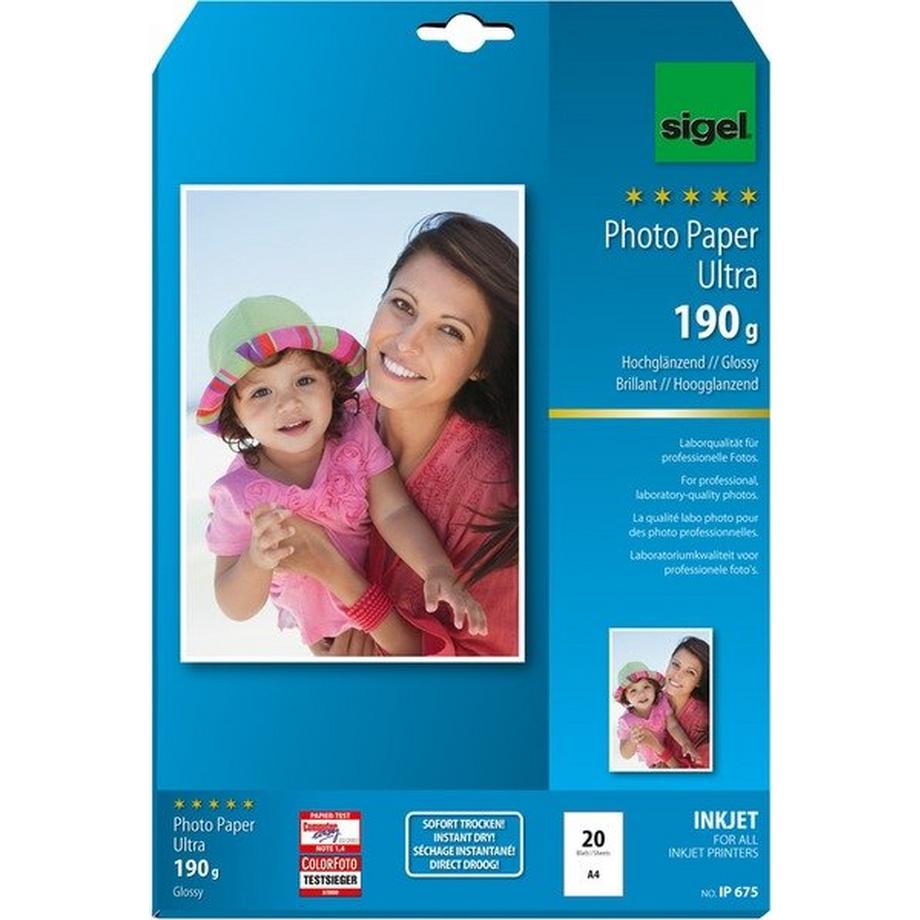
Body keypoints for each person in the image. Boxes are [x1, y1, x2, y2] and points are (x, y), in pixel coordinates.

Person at [278, 213, 519, 656]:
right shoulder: (330, 421)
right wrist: (323, 640)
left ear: (482, 364)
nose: (407, 342)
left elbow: (494, 672)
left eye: (450, 331)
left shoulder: (501, 488)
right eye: (403, 306)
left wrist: (345, 583)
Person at [197, 294, 486, 656]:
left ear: (330, 383)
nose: (288, 403)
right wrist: (255, 561)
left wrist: (437, 569)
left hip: (390, 608)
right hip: (330, 636)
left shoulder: (354, 435)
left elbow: (394, 511)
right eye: (261, 392)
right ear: (235, 415)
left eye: (304, 380)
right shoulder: (237, 493)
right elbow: (233, 605)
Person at [614, 661, 700, 768]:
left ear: (654, 688)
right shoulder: (626, 721)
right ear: (626, 697)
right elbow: (625, 754)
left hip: (674, 752)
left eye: (646, 687)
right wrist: (632, 740)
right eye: (633, 691)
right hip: (656, 763)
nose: (642, 694)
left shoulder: (661, 703)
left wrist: (685, 743)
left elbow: (673, 726)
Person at [660, 636, 711, 768]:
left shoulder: (704, 719)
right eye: (676, 664)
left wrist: (659, 751)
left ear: (699, 681)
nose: (677, 675)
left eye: (690, 672)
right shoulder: (654, 698)